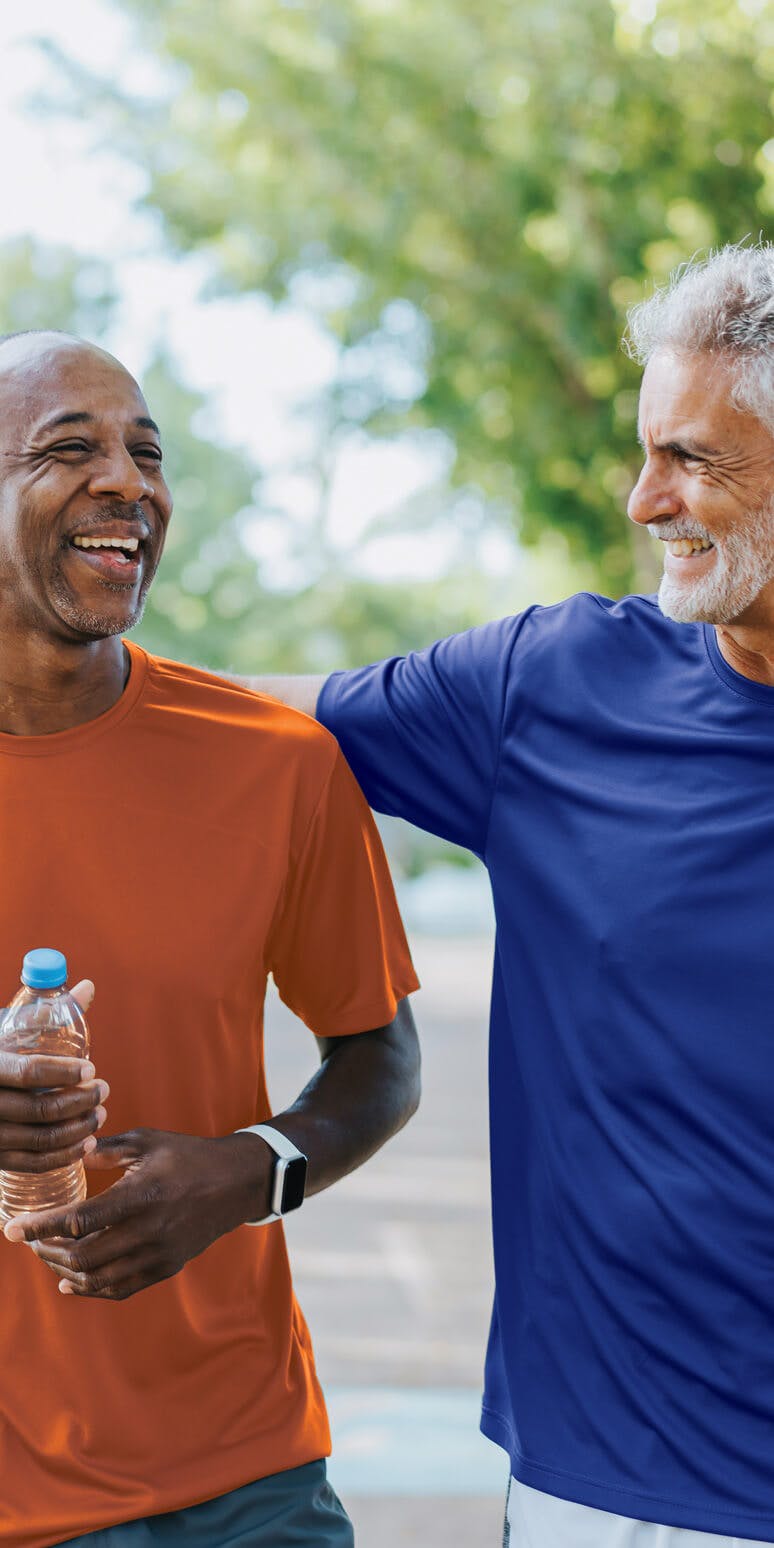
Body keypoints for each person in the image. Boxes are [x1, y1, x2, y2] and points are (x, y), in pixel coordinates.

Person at [232, 243, 774, 1547]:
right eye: (648, 449)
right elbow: (228, 731)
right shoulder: (553, 690)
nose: (644, 500)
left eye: (691, 457)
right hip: (615, 1491)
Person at [0, 328, 420, 1548]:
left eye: (146, 453)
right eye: (68, 450)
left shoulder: (275, 766)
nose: (127, 482)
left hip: (245, 1483)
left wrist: (248, 1171)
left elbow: (380, 1059)